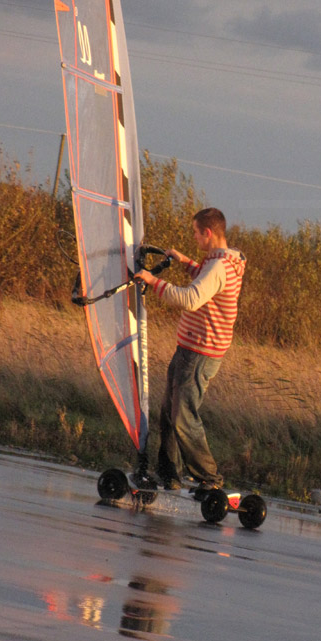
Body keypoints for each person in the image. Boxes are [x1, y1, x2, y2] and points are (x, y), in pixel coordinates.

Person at [134, 207, 246, 490]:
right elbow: (208, 280)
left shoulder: (219, 267)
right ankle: (169, 474)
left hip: (200, 353)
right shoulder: (222, 260)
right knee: (168, 414)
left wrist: (153, 281)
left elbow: (191, 298)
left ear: (207, 232)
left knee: (183, 417)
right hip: (190, 348)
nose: (194, 237)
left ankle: (210, 480)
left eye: (196, 232)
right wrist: (186, 263)